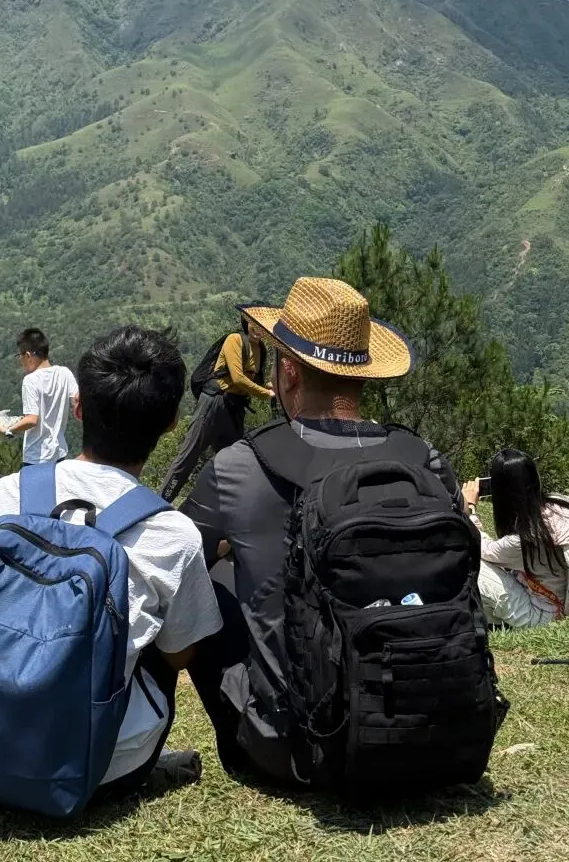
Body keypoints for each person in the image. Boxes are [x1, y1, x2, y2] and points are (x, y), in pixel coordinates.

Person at [182, 277, 468, 787]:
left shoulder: (240, 466)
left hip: (295, 754)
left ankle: (241, 742)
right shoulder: (422, 459)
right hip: (435, 728)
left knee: (216, 576)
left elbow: (174, 559)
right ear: (363, 375)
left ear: (288, 372)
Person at [0, 325, 223, 800]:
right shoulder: (173, 533)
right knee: (165, 644)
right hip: (93, 769)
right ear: (169, 425)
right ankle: (138, 762)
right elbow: (180, 654)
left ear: (79, 407)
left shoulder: (9, 494)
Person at [462, 448, 569, 628]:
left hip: (543, 615)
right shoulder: (564, 504)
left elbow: (480, 548)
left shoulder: (523, 540)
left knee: (470, 562)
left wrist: (470, 509)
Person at [159, 319, 272, 503]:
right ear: (246, 323)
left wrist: (273, 387)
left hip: (234, 408)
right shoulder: (235, 340)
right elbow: (238, 378)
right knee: (189, 455)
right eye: (254, 323)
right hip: (213, 402)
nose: (258, 329)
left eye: (262, 325)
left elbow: (254, 382)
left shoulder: (261, 350)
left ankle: (225, 509)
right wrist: (267, 393)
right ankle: (161, 501)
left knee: (233, 463)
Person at [2, 327, 79, 466]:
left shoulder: (31, 380)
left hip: (36, 457)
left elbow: (32, 420)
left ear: (28, 355)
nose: (20, 361)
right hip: (59, 454)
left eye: (20, 356)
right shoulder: (64, 373)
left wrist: (8, 429)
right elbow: (77, 403)